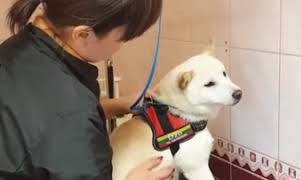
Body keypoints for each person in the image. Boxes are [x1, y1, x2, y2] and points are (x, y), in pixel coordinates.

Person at [0, 0, 175, 180]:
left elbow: (38, 117)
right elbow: (64, 118)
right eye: (123, 38)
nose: (121, 46)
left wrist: (116, 105)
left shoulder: (17, 48)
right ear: (83, 34)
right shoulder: (75, 114)